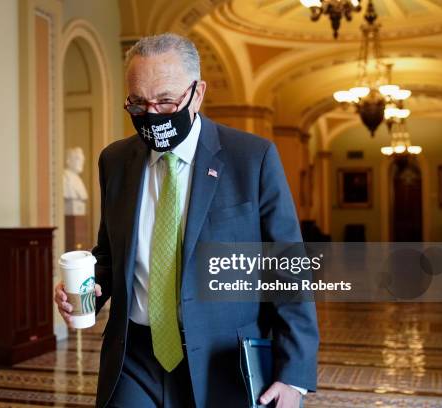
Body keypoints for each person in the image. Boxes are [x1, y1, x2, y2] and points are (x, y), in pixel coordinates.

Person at [54, 33, 319, 408]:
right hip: (135, 357)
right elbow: (112, 254)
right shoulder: (114, 161)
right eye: (138, 103)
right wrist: (86, 293)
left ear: (198, 93)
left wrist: (293, 375)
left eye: (165, 101)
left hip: (222, 360)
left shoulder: (252, 158)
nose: (151, 114)